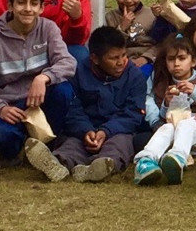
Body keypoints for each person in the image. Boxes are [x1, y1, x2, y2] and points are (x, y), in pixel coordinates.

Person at [0, 0, 77, 167]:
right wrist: (0, 108)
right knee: (0, 134)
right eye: (21, 2)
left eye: (34, 3)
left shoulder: (48, 29)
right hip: (9, 105)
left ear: (41, 8)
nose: (28, 9)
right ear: (10, 6)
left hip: (39, 99)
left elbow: (68, 62)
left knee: (63, 91)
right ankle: (14, 150)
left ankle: (46, 144)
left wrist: (43, 78)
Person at [131, 35, 196, 186]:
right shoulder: (163, 83)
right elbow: (163, 119)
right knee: (166, 128)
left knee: (186, 124)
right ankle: (145, 162)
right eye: (171, 59)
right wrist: (166, 104)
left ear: (193, 61)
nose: (176, 64)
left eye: (182, 58)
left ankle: (177, 159)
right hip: (175, 131)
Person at [52, 26, 146, 183]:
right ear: (95, 59)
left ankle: (100, 167)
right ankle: (58, 163)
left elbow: (133, 113)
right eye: (114, 58)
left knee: (119, 145)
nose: (121, 62)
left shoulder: (135, 76)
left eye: (124, 55)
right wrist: (86, 131)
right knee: (72, 144)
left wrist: (106, 131)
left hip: (118, 130)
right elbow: (73, 109)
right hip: (85, 129)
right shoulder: (78, 72)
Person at [105, 0, 159, 72]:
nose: (129, 0)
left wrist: (146, 58)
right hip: (121, 62)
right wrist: (122, 27)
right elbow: (111, 46)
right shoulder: (111, 17)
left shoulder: (151, 15)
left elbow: (160, 43)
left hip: (146, 61)